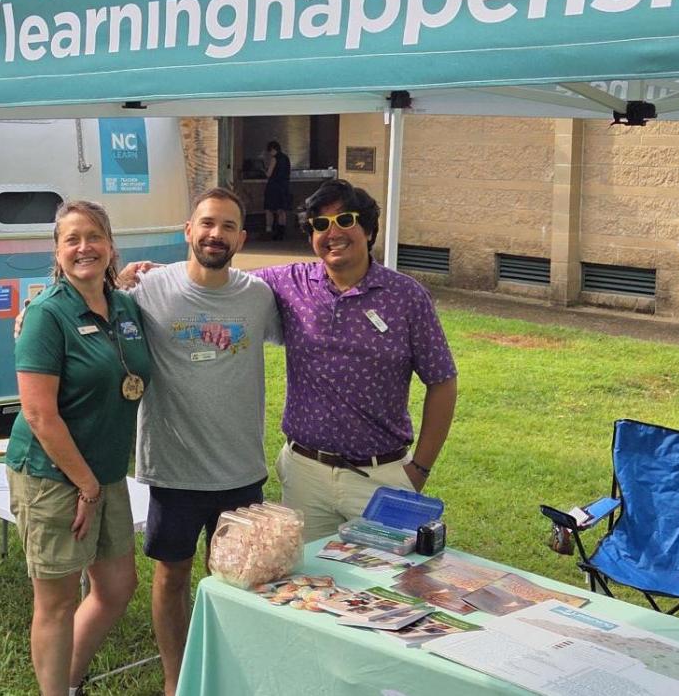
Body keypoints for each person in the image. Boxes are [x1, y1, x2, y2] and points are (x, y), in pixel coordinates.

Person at [120, 188, 282, 696]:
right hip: (173, 466)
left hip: (240, 467)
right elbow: (84, 304)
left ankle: (228, 676)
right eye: (207, 223)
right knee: (172, 575)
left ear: (242, 238)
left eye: (228, 226)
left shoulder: (258, 297)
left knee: (238, 581)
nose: (217, 234)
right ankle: (177, 680)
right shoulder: (148, 290)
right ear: (188, 230)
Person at [252, 179, 458, 541]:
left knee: (386, 588)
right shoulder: (291, 283)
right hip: (305, 476)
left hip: (380, 480)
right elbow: (219, 282)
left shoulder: (406, 297)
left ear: (368, 229)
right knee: (305, 586)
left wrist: (419, 469)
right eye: (319, 224)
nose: (332, 233)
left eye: (344, 220)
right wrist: (155, 272)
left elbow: (442, 381)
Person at [5, 199, 153, 696]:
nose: (83, 247)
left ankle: (67, 680)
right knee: (58, 601)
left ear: (111, 246)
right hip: (53, 475)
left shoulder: (126, 306)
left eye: (93, 236)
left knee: (116, 588)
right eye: (71, 239)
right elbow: (39, 414)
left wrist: (142, 275)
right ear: (58, 251)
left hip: (105, 472)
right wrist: (85, 486)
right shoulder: (46, 314)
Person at [263, 140, 291, 241]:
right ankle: (281, 232)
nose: (270, 154)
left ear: (273, 149)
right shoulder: (286, 158)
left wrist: (264, 170)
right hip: (284, 187)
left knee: (269, 209)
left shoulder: (275, 159)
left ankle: (269, 231)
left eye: (270, 151)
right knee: (281, 210)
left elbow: (269, 174)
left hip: (273, 187)